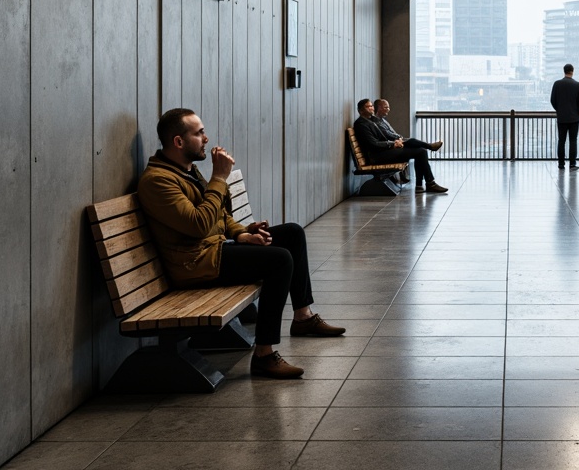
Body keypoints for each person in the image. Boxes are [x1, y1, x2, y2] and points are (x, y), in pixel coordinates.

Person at [137, 108, 345, 380]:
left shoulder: (186, 171)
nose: (206, 138)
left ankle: (303, 317)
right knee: (279, 260)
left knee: (292, 233)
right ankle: (264, 355)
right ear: (178, 141)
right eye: (199, 133)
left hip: (214, 251)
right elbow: (199, 224)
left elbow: (221, 216)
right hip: (195, 265)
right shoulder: (157, 181)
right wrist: (219, 179)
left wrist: (243, 233)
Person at [354, 99, 448, 193]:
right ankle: (429, 183)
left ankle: (422, 185)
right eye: (368, 106)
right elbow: (373, 144)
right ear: (361, 110)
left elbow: (383, 137)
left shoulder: (370, 121)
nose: (371, 108)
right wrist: (393, 144)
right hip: (377, 156)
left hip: (383, 152)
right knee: (420, 151)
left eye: (371, 106)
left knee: (421, 150)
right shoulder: (361, 124)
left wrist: (394, 142)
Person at [372, 98, 443, 183]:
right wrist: (398, 139)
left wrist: (399, 137)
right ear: (379, 108)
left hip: (393, 143)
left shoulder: (383, 120)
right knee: (415, 146)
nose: (388, 109)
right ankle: (430, 147)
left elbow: (391, 133)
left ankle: (421, 184)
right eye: (386, 107)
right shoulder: (375, 123)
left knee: (421, 150)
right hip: (389, 148)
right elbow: (387, 135)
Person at [550, 63, 579, 170]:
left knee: (561, 140)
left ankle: (561, 164)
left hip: (561, 117)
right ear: (572, 71)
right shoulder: (578, 85)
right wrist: (575, 110)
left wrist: (559, 110)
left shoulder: (557, 84)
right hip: (574, 118)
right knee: (573, 140)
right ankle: (572, 164)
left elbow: (553, 100)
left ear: (564, 71)